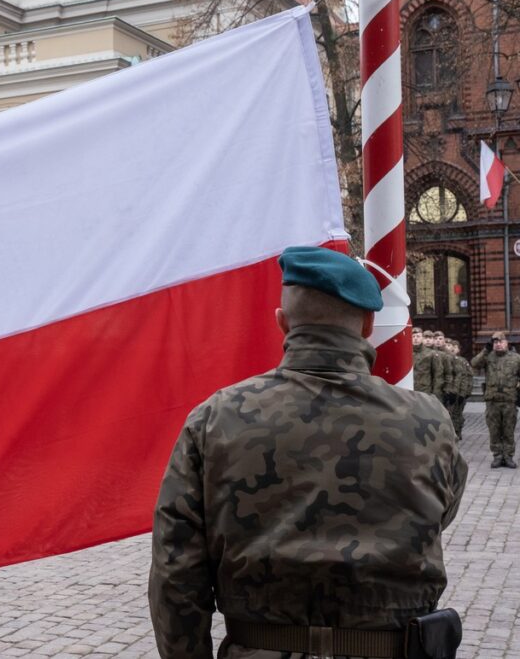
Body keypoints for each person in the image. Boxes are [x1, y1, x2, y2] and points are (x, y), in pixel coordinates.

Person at [149, 246, 467, 659]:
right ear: (368, 323)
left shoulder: (215, 418)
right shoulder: (430, 421)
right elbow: (442, 512)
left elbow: (176, 571)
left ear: (283, 323)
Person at [470, 331, 520, 468]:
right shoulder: (488, 357)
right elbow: (474, 363)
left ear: (506, 343)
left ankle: (508, 456)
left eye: (501, 342)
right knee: (494, 430)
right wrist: (485, 350)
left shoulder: (516, 358)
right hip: (492, 401)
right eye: (495, 342)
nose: (498, 344)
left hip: (510, 400)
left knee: (509, 430)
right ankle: (497, 456)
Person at [446, 340, 473, 439]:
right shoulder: (446, 359)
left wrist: (465, 393)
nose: (452, 348)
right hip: (450, 391)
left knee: (457, 415)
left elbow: (467, 377)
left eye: (454, 347)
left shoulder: (462, 361)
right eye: (449, 346)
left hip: (460, 392)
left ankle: (457, 433)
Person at [412, 327, 435, 394]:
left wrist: (436, 393)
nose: (415, 338)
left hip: (425, 389)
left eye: (418, 336)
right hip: (410, 388)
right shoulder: (406, 353)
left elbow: (437, 375)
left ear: (422, 338)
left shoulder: (430, 353)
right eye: (413, 336)